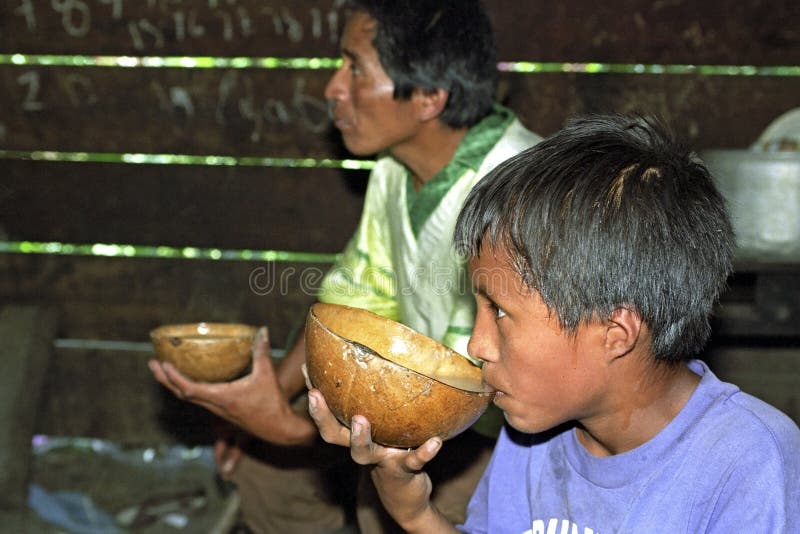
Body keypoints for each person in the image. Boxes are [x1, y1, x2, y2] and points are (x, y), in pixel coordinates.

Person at [149, 0, 542, 531]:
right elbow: (349, 301)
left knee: (380, 504)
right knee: (266, 476)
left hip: (500, 430)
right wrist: (269, 396)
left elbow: (460, 388)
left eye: (355, 68)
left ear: (429, 97)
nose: (334, 87)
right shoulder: (393, 172)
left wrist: (287, 429)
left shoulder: (519, 191)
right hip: (410, 401)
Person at [308, 114, 800, 533]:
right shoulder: (533, 435)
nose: (478, 345)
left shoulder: (750, 464)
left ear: (616, 333)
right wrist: (414, 513)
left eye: (499, 312)